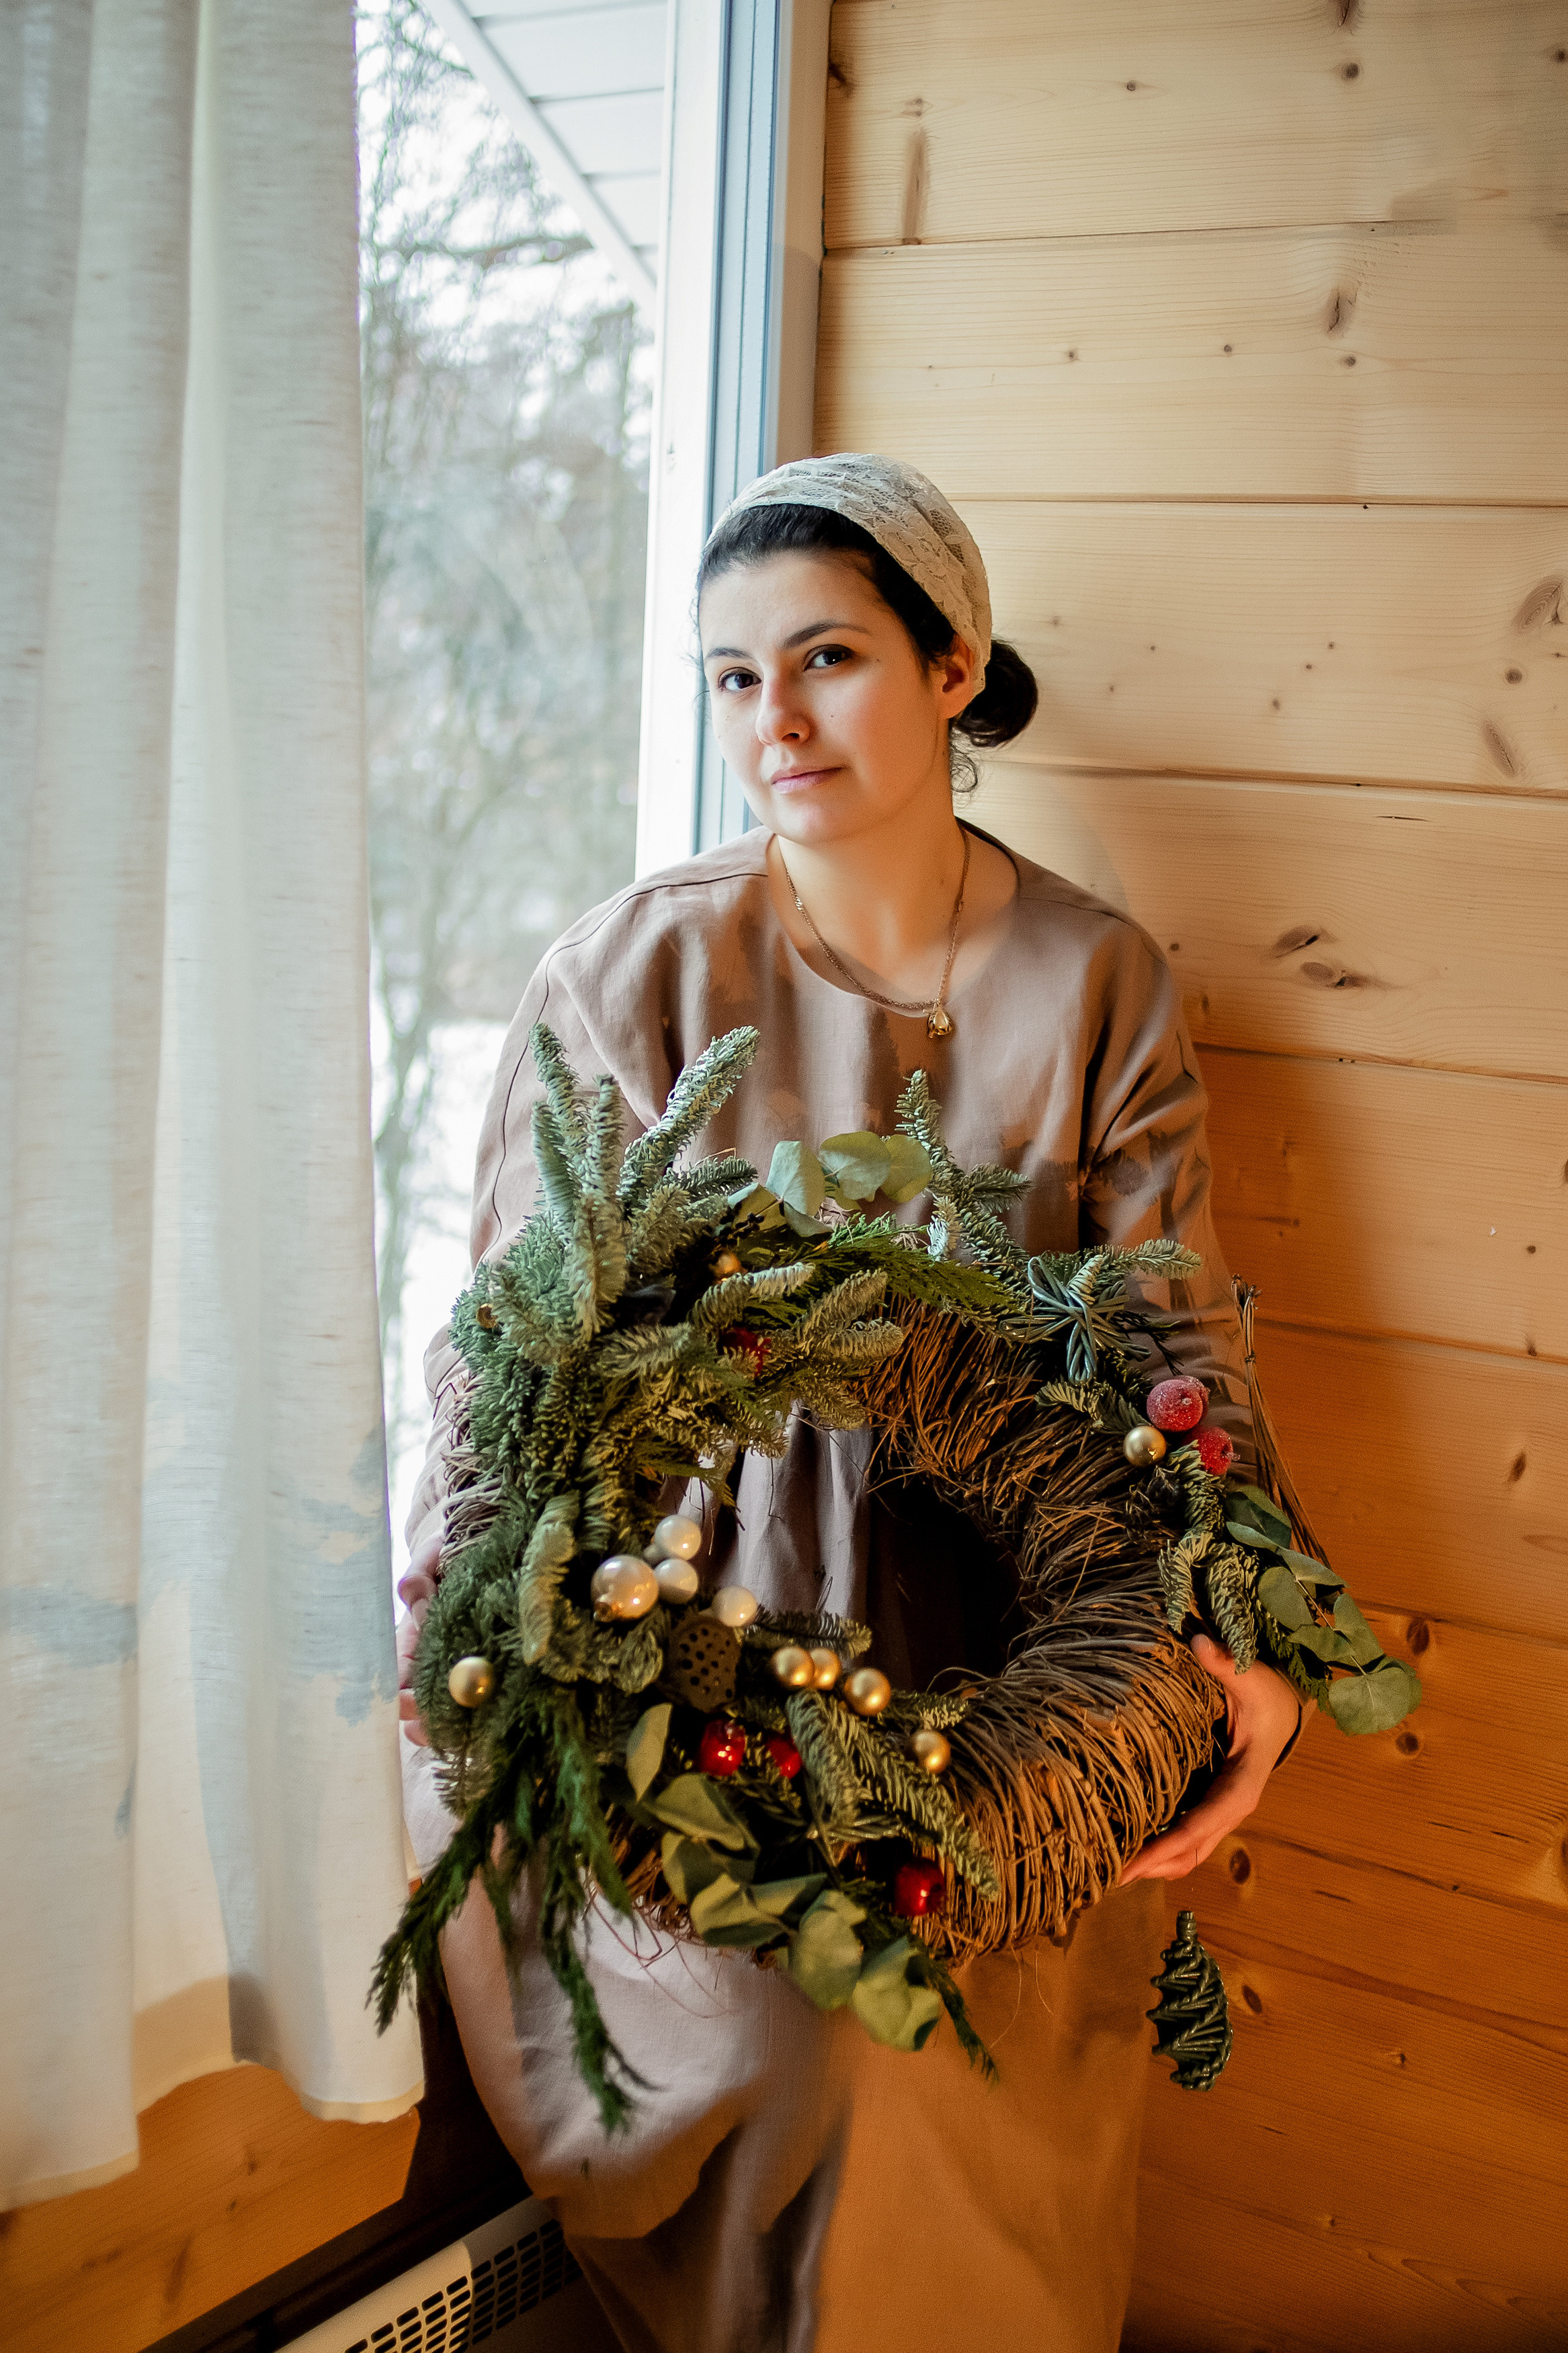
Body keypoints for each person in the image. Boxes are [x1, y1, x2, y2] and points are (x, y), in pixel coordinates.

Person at [397, 454, 1302, 2352]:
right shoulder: (636, 968)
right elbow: (508, 1356)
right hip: (683, 1650)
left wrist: (1244, 1628)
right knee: (816, 2041)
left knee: (967, 2053)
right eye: (731, 676)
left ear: (955, 664)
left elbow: (1176, 1352)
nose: (773, 720)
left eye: (825, 658)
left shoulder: (1098, 985)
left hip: (1009, 1665)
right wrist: (475, 1604)